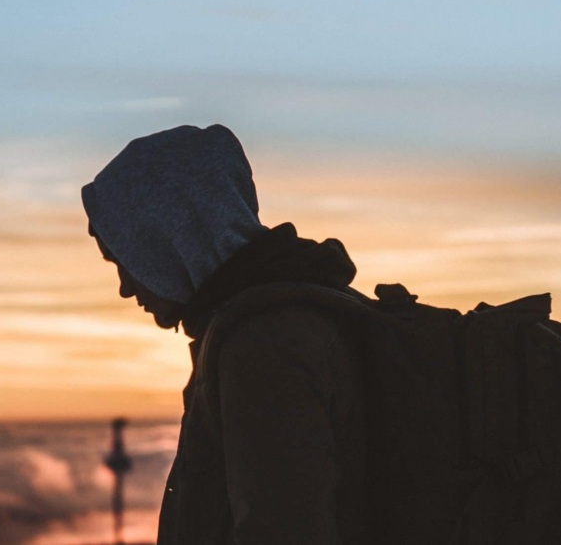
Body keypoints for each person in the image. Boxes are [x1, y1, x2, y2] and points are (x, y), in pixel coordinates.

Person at [82, 124, 368, 544]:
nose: (125, 286)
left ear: (164, 241)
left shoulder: (263, 348)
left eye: (125, 261)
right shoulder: (302, 313)